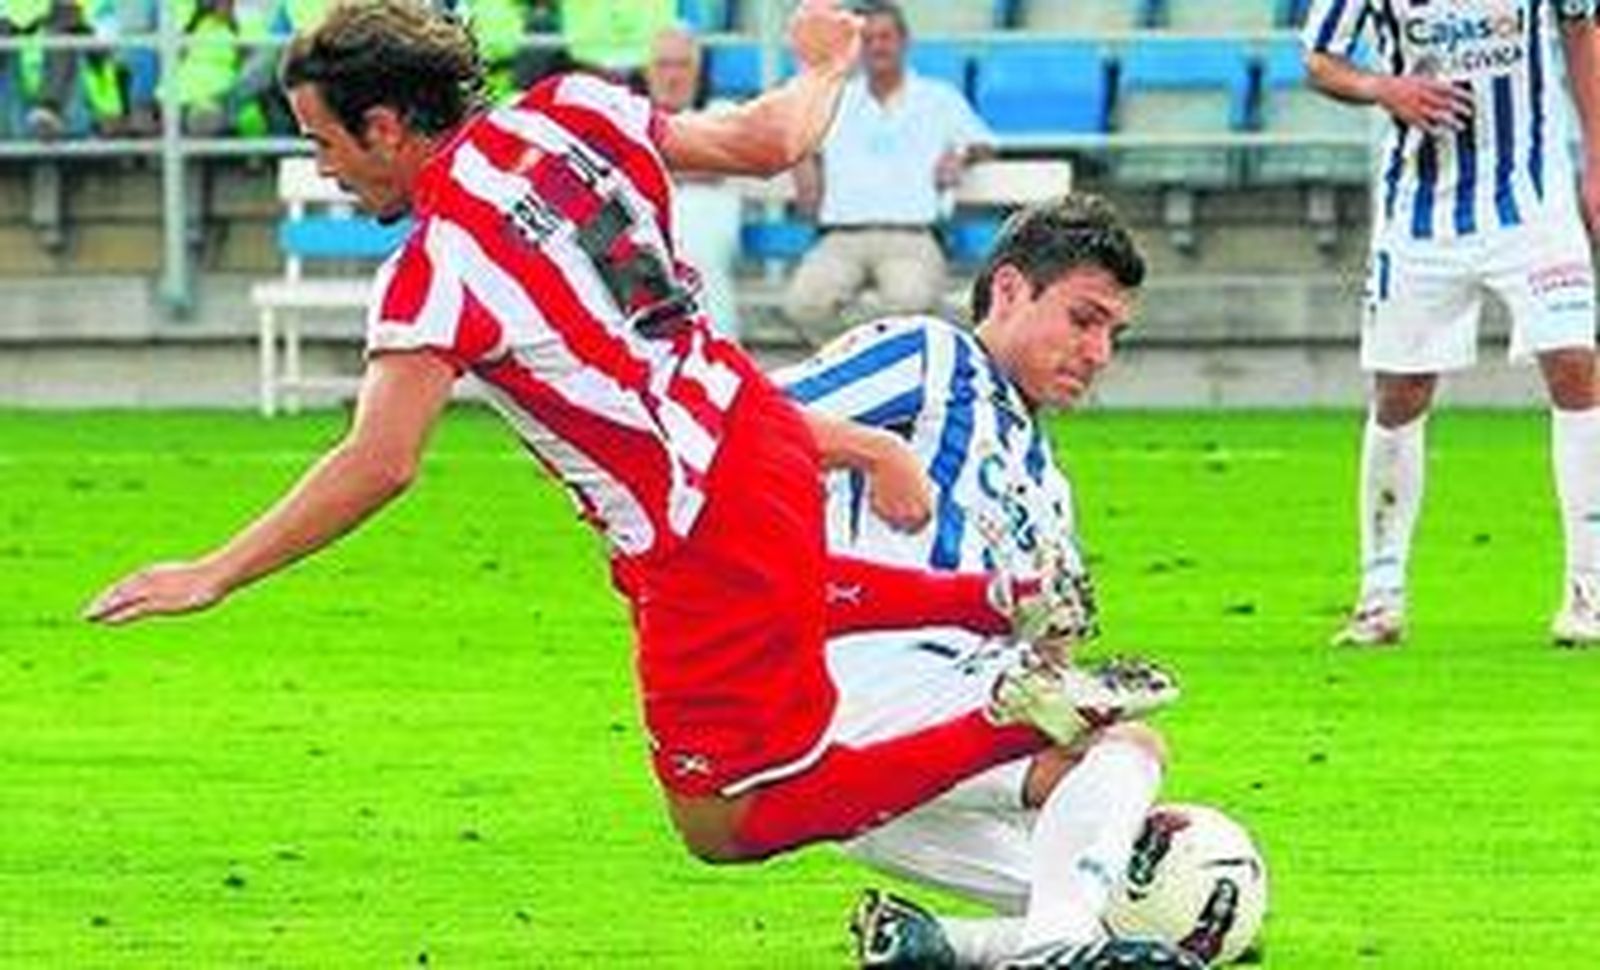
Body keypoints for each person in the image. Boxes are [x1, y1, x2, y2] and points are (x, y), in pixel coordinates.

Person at [83, 0, 1177, 881]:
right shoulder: (566, 110)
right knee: (788, 590)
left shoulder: (434, 269)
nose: (322, 164)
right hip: (754, 431)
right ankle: (987, 601)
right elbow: (770, 139)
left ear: (384, 126)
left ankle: (1014, 714)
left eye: (323, 140)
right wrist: (825, 60)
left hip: (693, 513)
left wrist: (214, 572)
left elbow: (382, 460)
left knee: (727, 819)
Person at [777, 195, 1202, 970]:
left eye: (1114, 332)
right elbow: (739, 428)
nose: (1100, 351)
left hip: (908, 775)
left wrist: (1065, 661)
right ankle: (1057, 953)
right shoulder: (930, 359)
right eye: (1083, 318)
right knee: (1125, 753)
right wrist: (875, 451)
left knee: (1119, 889)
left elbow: (1038, 649)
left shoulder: (1049, 484)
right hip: (862, 688)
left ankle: (936, 948)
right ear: (1008, 290)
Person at [1303, 1, 1600, 648]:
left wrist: (1598, 157)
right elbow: (1319, 60)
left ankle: (1590, 591)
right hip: (1418, 212)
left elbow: (1581, 31)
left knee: (1576, 364)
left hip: (1534, 203)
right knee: (1401, 392)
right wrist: (1384, 88)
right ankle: (1380, 597)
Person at [782, 0, 994, 335]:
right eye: (867, 39)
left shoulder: (937, 98)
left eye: (885, 37)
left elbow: (984, 142)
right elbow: (797, 139)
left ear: (904, 42)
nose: (877, 47)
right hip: (841, 237)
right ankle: (861, 366)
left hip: (911, 235)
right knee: (804, 303)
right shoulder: (837, 99)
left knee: (910, 302)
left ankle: (864, 359)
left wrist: (961, 155)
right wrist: (806, 169)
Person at [645, 23, 743, 339]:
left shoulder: (721, 113)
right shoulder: (629, 117)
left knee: (697, 251)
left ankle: (721, 348)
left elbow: (714, 167)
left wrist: (653, 164)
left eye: (682, 65)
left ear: (698, 71)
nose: (672, 76)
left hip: (705, 217)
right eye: (663, 65)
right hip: (643, 227)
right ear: (648, 73)